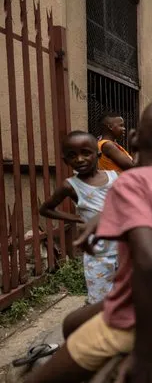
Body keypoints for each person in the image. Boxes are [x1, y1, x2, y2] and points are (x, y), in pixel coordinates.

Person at [21, 100, 152, 383]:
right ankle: (104, 364)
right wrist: (105, 217)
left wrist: (143, 354)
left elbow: (151, 262)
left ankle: (127, 359)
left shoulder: (132, 182)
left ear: (137, 138)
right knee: (72, 322)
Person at [39, 131, 118, 305]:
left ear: (97, 154)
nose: (79, 159)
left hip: (125, 249)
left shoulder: (114, 177)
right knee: (100, 303)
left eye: (85, 153)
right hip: (97, 255)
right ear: (65, 160)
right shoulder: (71, 186)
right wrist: (76, 219)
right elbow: (45, 209)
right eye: (72, 155)